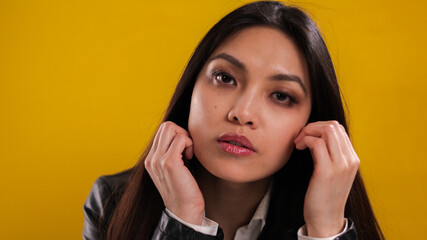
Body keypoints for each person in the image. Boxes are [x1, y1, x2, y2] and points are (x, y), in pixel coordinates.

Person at [83, 1, 385, 239]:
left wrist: (326, 231)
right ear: (191, 89)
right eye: (225, 77)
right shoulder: (113, 202)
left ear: (311, 122)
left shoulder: (336, 223)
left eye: (281, 96)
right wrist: (182, 224)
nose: (242, 112)